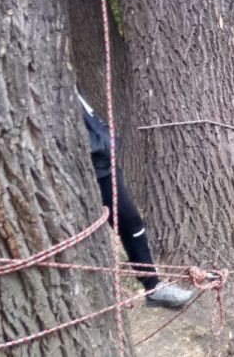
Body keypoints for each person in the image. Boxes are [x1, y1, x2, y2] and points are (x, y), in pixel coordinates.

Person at [78, 93, 194, 308]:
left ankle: (153, 286)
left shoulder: (66, 82)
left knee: (132, 225)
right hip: (89, 171)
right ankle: (105, 294)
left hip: (105, 168)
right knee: (89, 233)